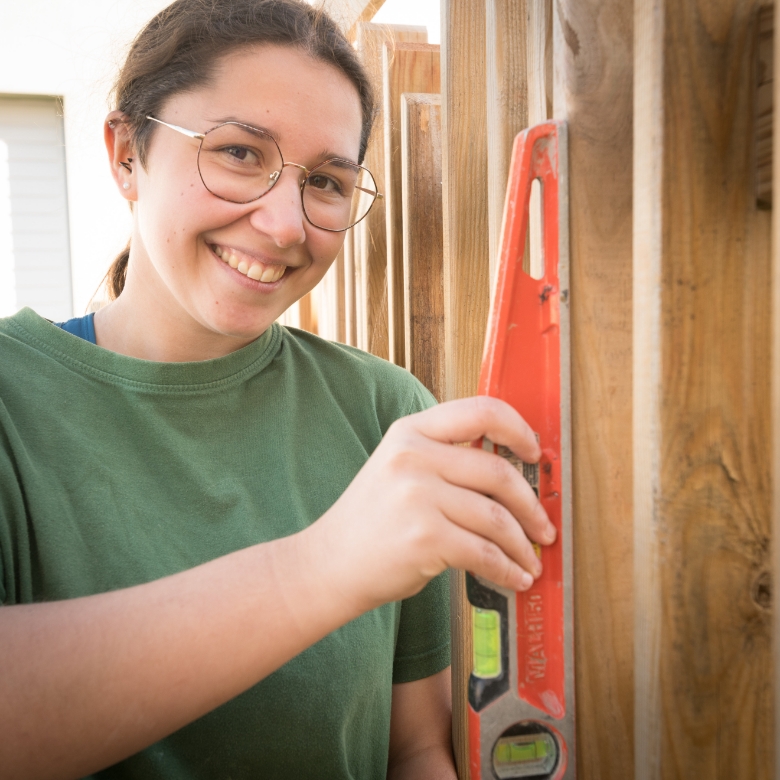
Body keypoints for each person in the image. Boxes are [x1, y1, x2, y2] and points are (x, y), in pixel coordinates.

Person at [0, 1, 555, 778]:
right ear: (127, 153)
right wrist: (324, 565)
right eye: (237, 152)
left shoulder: (384, 412)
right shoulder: (11, 402)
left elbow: (414, 747)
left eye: (326, 181)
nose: (285, 223)